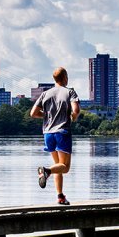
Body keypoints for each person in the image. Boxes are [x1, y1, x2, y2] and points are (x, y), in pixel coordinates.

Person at [30, 67, 80, 205]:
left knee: (58, 165)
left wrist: (46, 115)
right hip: (62, 132)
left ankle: (60, 196)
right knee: (65, 167)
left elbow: (33, 113)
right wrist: (73, 117)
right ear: (65, 78)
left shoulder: (45, 94)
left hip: (48, 133)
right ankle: (45, 170)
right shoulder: (70, 92)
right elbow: (76, 110)